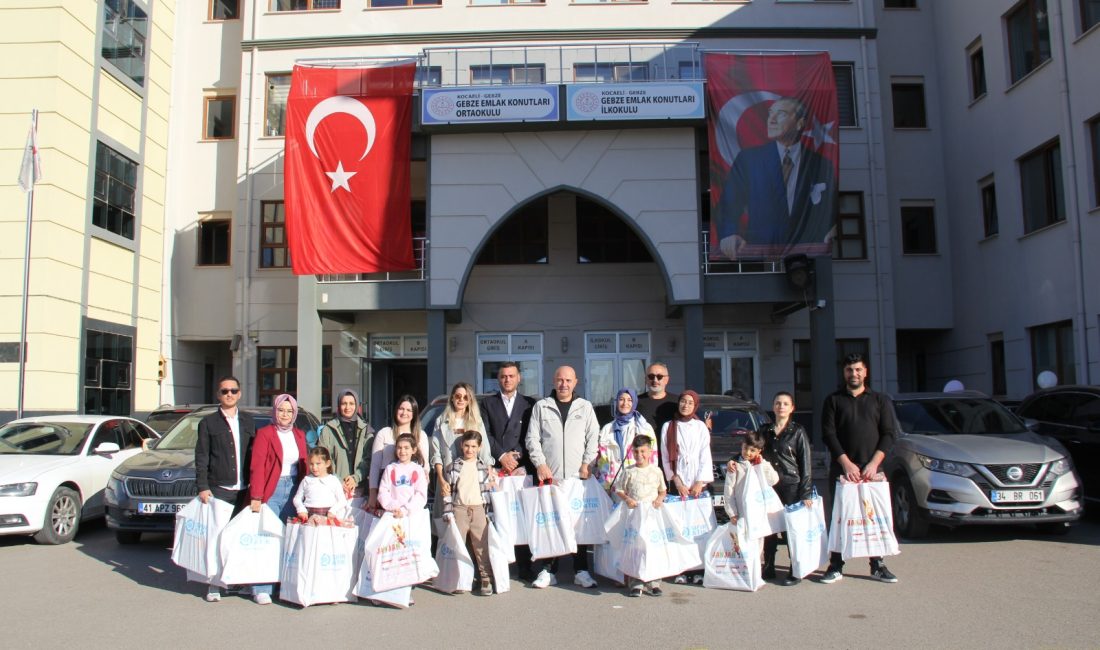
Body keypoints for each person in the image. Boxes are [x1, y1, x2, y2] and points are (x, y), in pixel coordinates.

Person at [716, 95, 836, 260]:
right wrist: (729, 234)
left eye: (781, 114)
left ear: (800, 123)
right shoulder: (749, 160)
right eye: (770, 113)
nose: (771, 120)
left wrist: (832, 227)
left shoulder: (821, 164)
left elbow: (830, 207)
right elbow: (729, 205)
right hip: (761, 254)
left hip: (807, 256)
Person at [820, 353, 898, 584]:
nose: (853, 374)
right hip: (843, 470)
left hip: (871, 471)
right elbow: (828, 434)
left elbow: (888, 434)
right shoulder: (833, 400)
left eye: (857, 370)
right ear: (843, 373)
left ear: (865, 372)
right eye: (849, 370)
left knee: (874, 518)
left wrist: (873, 463)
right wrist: (846, 463)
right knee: (840, 517)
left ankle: (877, 564)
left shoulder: (880, 400)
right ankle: (836, 564)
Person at [525, 365, 600, 589]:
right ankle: (548, 571)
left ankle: (581, 570)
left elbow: (593, 439)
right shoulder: (542, 407)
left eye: (568, 380)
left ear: (576, 382)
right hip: (552, 478)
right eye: (559, 380)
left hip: (578, 478)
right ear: (553, 381)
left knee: (578, 525)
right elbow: (532, 439)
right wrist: (541, 465)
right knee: (551, 523)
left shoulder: (585, 407)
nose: (563, 384)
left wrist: (587, 463)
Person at [194, 375, 256, 603]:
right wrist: (202, 486)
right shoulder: (208, 423)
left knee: (238, 537)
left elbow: (255, 455)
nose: (229, 394)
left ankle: (236, 580)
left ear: (239, 393)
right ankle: (214, 583)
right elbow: (201, 457)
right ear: (218, 395)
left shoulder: (248, 421)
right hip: (219, 489)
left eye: (233, 390)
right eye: (224, 391)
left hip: (244, 489)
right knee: (217, 537)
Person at [249, 394, 308, 605]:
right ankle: (262, 587)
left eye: (289, 411)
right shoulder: (265, 434)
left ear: (294, 413)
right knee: (267, 539)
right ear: (275, 411)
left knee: (290, 538)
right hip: (271, 489)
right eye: (281, 410)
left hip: (293, 488)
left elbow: (304, 465)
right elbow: (256, 466)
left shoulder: (299, 435)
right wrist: (256, 496)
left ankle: (285, 583)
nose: (285, 414)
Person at [660, 389, 713, 585]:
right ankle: (680, 569)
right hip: (678, 485)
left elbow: (704, 455)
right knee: (679, 529)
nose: (685, 405)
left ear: (695, 406)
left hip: (697, 485)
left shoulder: (700, 427)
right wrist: (677, 481)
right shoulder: (669, 426)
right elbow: (665, 457)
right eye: (683, 401)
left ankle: (698, 569)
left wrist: (700, 482)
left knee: (698, 530)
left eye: (690, 403)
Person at [431, 383, 494, 528]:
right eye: (458, 396)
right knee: (449, 526)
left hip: (472, 479)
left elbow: (485, 451)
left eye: (465, 397)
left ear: (469, 400)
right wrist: (441, 479)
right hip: (448, 478)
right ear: (452, 398)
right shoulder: (441, 421)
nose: (461, 400)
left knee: (474, 524)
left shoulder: (476, 421)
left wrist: (489, 471)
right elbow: (436, 454)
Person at [442, 431, 497, 596]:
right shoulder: (453, 467)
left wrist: (491, 513)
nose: (470, 449)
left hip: (479, 508)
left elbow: (488, 491)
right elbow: (448, 491)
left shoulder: (484, 468)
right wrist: (448, 511)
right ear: (461, 445)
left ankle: (485, 576)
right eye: (466, 445)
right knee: (459, 545)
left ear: (479, 447)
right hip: (460, 508)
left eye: (473, 446)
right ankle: (461, 577)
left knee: (481, 544)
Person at [615, 435, 667, 597]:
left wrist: (659, 499)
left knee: (651, 548)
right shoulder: (628, 471)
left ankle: (653, 582)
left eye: (643, 451)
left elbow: (663, 490)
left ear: (650, 452)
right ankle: (636, 582)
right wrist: (627, 499)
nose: (640, 455)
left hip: (651, 516)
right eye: (636, 452)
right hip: (635, 516)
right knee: (636, 548)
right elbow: (619, 489)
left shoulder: (656, 471)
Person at [368, 395, 429, 512]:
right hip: (388, 494)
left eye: (409, 410)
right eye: (401, 408)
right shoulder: (384, 433)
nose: (404, 412)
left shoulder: (421, 436)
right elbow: (375, 465)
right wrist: (373, 492)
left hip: (411, 497)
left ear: (414, 414)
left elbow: (425, 466)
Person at [593, 387, 657, 498]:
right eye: (621, 399)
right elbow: (602, 461)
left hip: (638, 487)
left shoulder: (644, 428)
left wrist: (649, 483)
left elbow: (653, 458)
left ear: (634, 402)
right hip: (614, 488)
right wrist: (604, 485)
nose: (625, 403)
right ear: (617, 402)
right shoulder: (607, 429)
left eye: (629, 400)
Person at [316, 389, 374, 499]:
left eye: (351, 403)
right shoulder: (328, 429)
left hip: (359, 489)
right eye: (344, 403)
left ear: (357, 405)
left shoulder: (366, 430)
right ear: (338, 405)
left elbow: (368, 459)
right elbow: (322, 458)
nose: (347, 407)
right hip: (334, 489)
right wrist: (337, 480)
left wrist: (355, 478)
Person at [483, 362, 537, 477]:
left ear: (518, 378)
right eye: (503, 376)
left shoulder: (529, 404)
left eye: (511, 376)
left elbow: (532, 434)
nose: (507, 380)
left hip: (521, 466)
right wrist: (502, 456)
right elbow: (485, 434)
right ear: (498, 379)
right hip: (496, 466)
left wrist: (513, 457)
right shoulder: (487, 404)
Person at [723, 430, 779, 524]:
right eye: (745, 448)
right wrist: (732, 513)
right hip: (741, 511)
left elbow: (773, 480)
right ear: (742, 445)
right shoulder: (735, 466)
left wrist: (763, 465)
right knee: (742, 537)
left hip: (759, 510)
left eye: (752, 450)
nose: (747, 453)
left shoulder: (762, 464)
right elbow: (729, 490)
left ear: (759, 451)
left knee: (759, 538)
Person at [293, 446, 350, 525]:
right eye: (311, 464)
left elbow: (342, 500)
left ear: (327, 463)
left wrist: (333, 510)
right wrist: (301, 510)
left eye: (318, 464)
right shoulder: (306, 480)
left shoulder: (333, 480)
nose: (314, 467)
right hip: (308, 517)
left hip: (328, 517)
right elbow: (297, 498)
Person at [378, 433, 429, 519]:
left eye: (406, 448)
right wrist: (394, 507)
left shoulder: (418, 470)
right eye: (399, 447)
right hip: (393, 514)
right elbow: (383, 492)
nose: (402, 451)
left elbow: (421, 494)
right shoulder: (390, 469)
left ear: (414, 450)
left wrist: (405, 510)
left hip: (412, 516)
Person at [636, 362, 679, 441]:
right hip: (645, 451)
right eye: (651, 376)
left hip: (669, 450)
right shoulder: (636, 402)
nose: (655, 380)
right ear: (646, 379)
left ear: (667, 380)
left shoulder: (677, 402)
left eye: (659, 377)